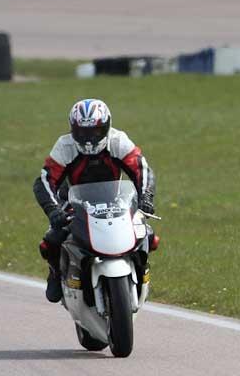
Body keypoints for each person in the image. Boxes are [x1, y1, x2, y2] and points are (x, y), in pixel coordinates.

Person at [33, 99, 156, 303]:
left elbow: (142, 170)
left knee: (148, 235)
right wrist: (53, 210)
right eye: (82, 133)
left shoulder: (118, 140)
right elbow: (45, 180)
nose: (88, 139)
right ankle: (55, 272)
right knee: (52, 240)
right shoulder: (65, 146)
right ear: (73, 130)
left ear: (107, 126)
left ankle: (141, 271)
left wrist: (146, 198)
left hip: (116, 199)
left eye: (95, 131)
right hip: (73, 201)